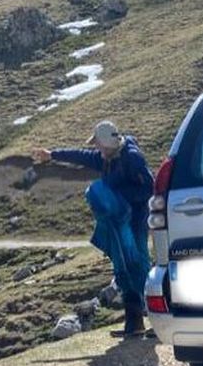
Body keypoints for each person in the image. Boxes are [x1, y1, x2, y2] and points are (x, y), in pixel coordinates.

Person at [33, 120, 154, 338]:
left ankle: (157, 319)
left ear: (107, 143)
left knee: (139, 264)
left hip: (135, 220)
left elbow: (149, 187)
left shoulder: (132, 158)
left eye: (98, 145)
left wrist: (120, 198)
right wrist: (53, 154)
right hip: (118, 222)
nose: (96, 149)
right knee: (123, 267)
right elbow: (82, 156)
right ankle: (134, 324)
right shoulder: (108, 157)